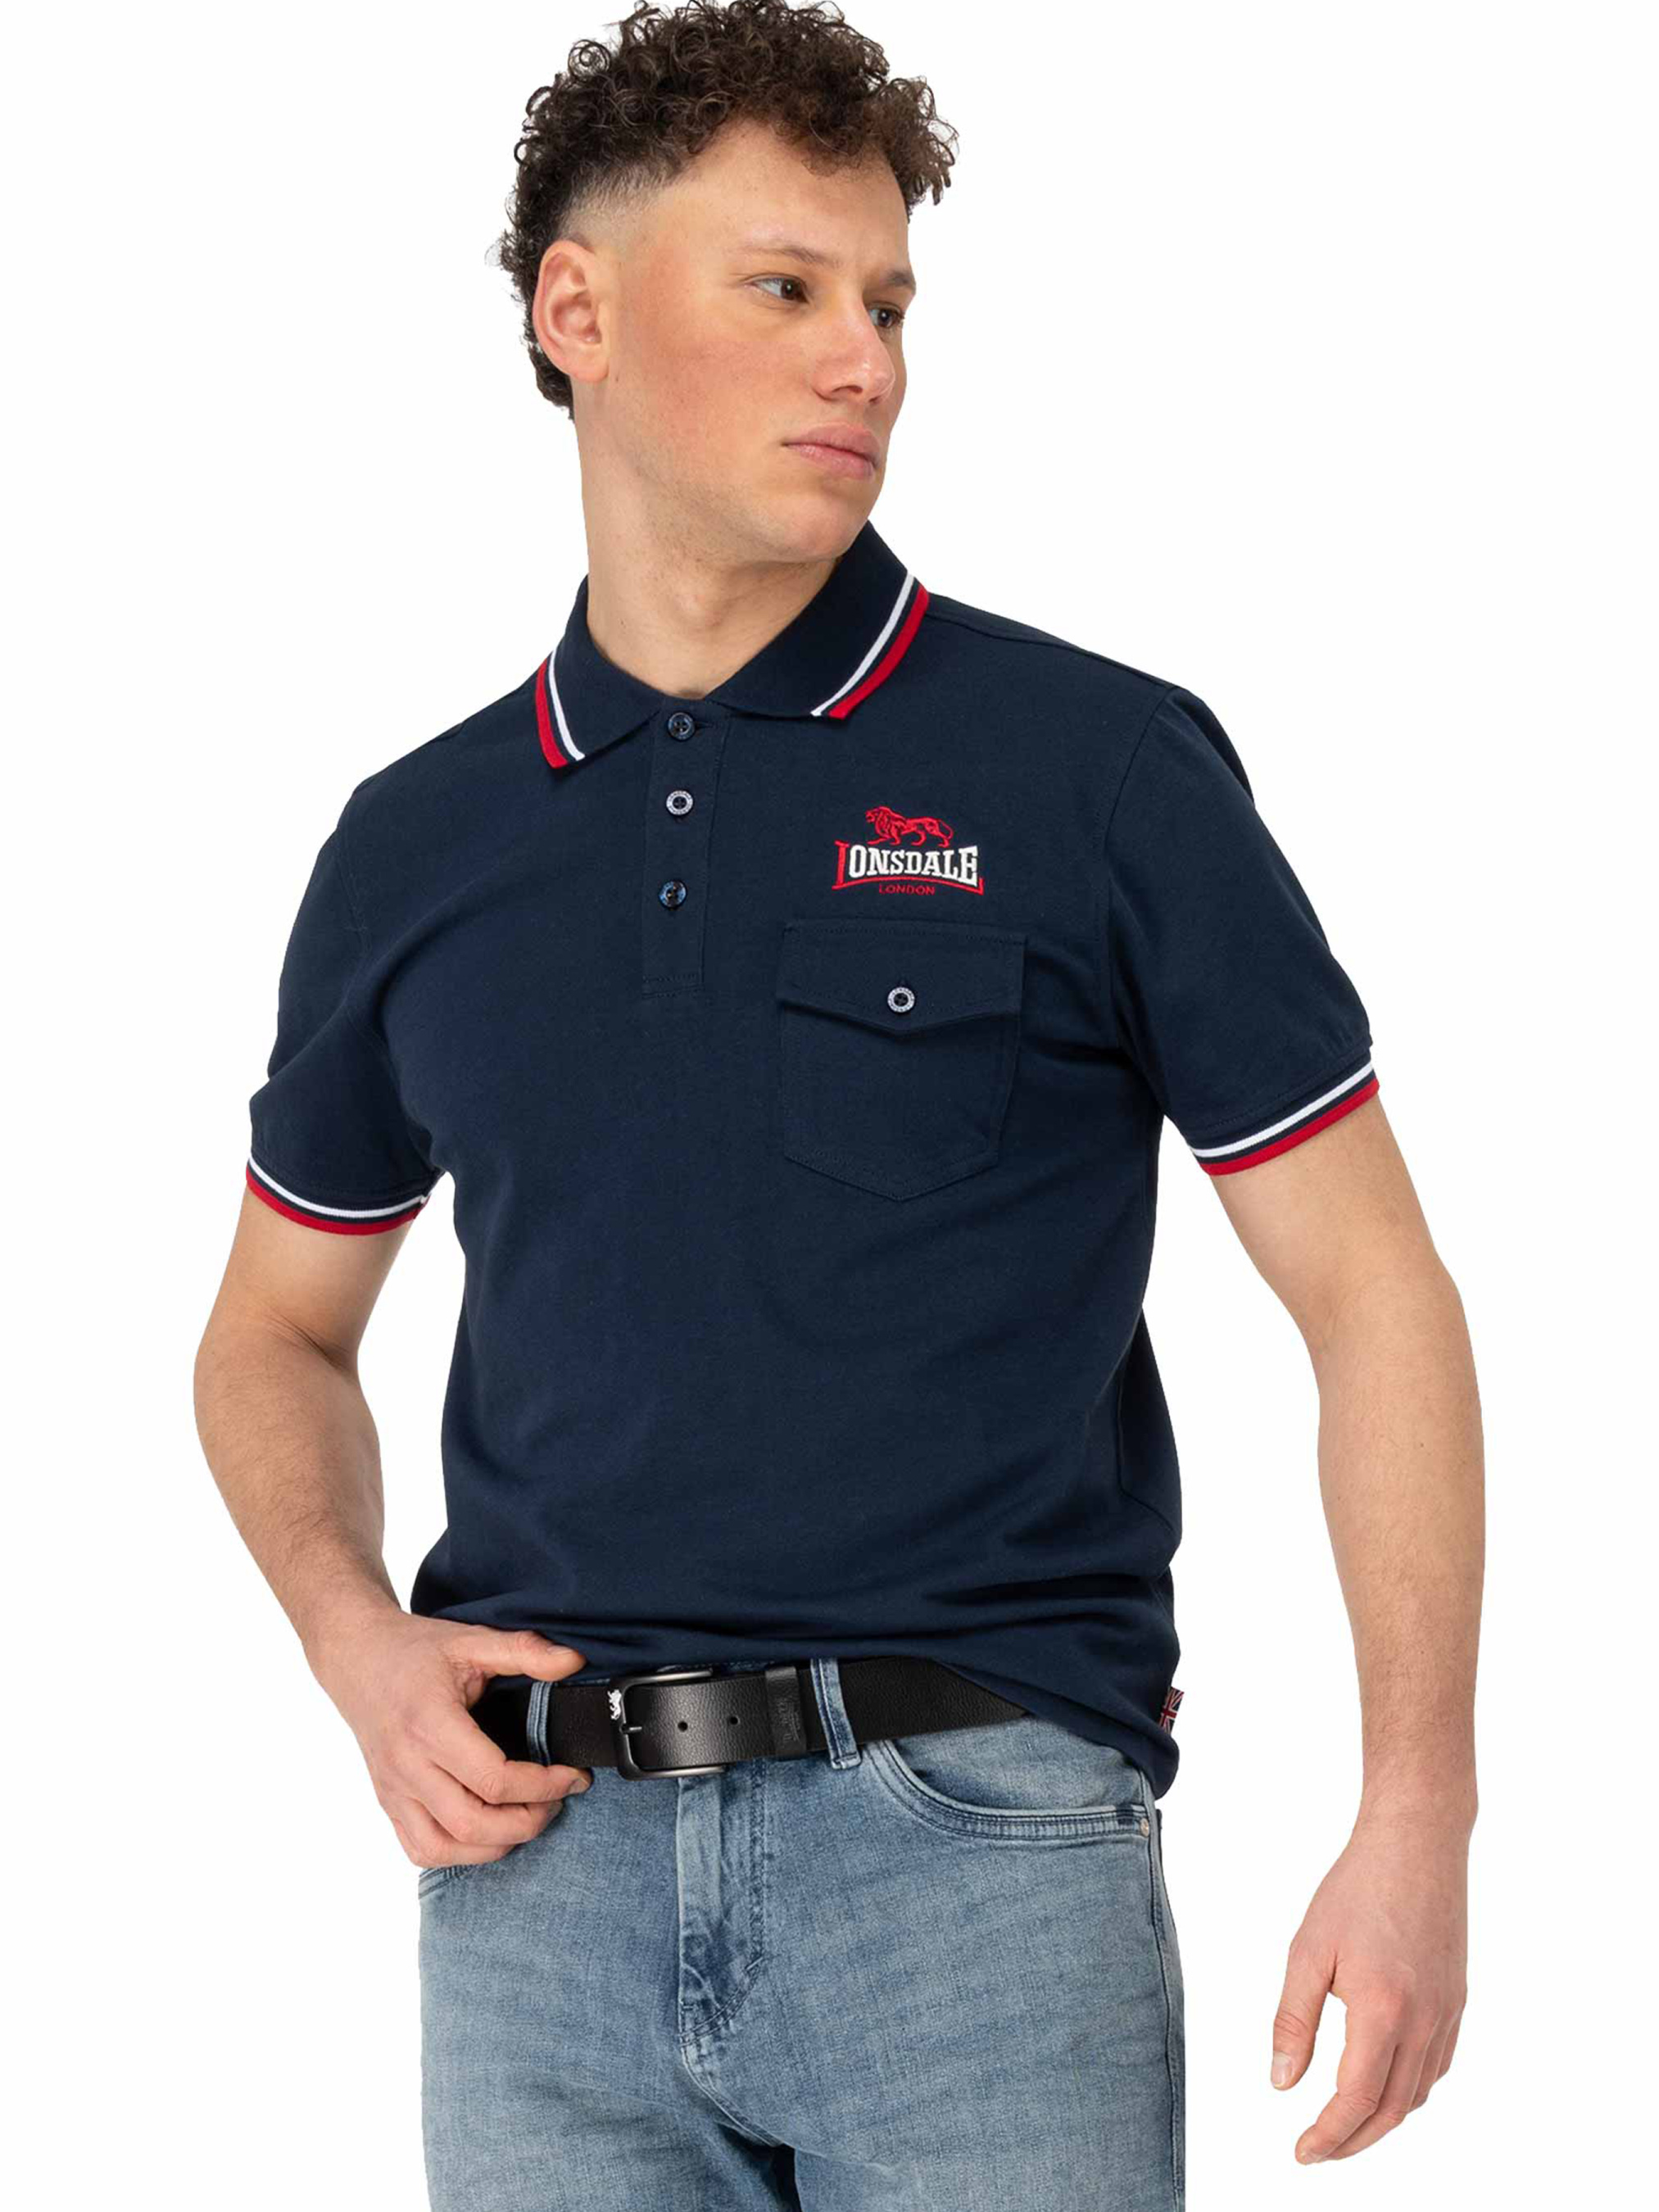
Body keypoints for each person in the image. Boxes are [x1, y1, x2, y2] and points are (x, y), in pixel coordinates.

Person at [193, 4, 1482, 2204]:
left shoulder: (1094, 769)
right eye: (786, 288)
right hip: (537, 1887)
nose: (863, 359)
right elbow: (270, 1332)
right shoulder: (416, 847)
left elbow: (1374, 1291)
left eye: (887, 302)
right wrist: (351, 1636)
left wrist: (1416, 1809)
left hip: (974, 1862)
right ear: (578, 313)